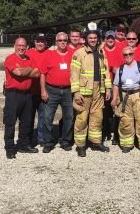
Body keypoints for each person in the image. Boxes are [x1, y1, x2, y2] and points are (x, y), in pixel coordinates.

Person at [70, 22, 112, 157]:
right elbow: (74, 74)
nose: (93, 40)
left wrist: (108, 88)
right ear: (86, 39)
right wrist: (76, 92)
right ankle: (81, 145)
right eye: (90, 38)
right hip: (84, 92)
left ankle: (95, 142)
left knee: (97, 117)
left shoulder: (101, 52)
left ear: (98, 38)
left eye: (95, 37)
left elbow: (106, 71)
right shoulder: (79, 53)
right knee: (82, 118)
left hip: (98, 91)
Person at [111, 46, 140, 153]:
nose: (128, 56)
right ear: (123, 56)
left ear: (133, 54)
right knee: (125, 120)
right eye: (125, 54)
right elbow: (116, 85)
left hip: (139, 95)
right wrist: (114, 98)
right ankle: (126, 144)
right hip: (125, 97)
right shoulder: (120, 69)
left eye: (130, 54)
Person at [3, 38, 40, 159]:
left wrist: (25, 71)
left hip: (27, 94)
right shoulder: (11, 58)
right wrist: (29, 70)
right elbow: (18, 72)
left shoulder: (30, 58)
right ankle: (9, 147)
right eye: (19, 45)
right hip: (13, 94)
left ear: (27, 46)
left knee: (27, 121)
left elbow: (37, 73)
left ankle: (24, 145)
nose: (21, 48)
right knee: (10, 122)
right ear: (14, 46)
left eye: (23, 45)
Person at [40, 32, 74, 153]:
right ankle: (48, 142)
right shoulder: (49, 55)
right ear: (56, 42)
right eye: (60, 40)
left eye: (65, 40)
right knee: (48, 117)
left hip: (68, 90)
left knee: (69, 116)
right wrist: (43, 90)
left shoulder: (72, 54)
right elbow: (42, 74)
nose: (63, 42)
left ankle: (65, 140)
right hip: (51, 90)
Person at [26, 33, 48, 146]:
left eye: (42, 41)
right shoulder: (28, 53)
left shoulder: (49, 54)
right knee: (28, 116)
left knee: (43, 117)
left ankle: (41, 138)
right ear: (34, 42)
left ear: (46, 42)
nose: (40, 43)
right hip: (30, 91)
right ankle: (28, 138)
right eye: (38, 41)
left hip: (44, 91)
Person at [102, 30, 122, 144]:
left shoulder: (119, 51)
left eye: (112, 38)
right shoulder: (101, 51)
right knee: (105, 110)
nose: (110, 40)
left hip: (117, 85)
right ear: (105, 39)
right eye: (108, 38)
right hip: (104, 85)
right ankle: (106, 132)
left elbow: (123, 67)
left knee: (117, 110)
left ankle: (116, 134)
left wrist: (116, 70)